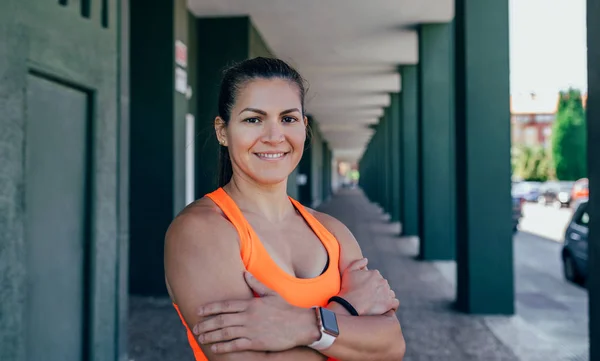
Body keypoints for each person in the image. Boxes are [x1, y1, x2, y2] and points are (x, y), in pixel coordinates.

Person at [164, 57, 406, 361]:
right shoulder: (200, 231)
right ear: (222, 131)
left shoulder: (332, 230)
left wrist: (304, 325)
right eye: (254, 119)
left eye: (288, 119)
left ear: (304, 128)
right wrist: (345, 310)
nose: (274, 136)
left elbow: (391, 344)